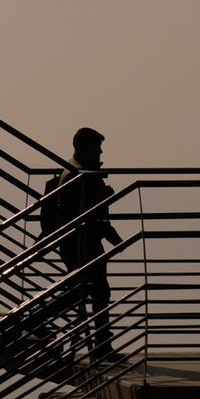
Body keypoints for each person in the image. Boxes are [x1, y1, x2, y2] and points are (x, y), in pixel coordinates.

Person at [42, 126, 124, 358]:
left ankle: (100, 344)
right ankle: (101, 346)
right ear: (86, 148)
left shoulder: (74, 171)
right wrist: (105, 205)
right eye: (97, 148)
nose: (100, 153)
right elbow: (86, 213)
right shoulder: (80, 176)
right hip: (82, 242)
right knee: (92, 291)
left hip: (78, 241)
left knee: (84, 290)